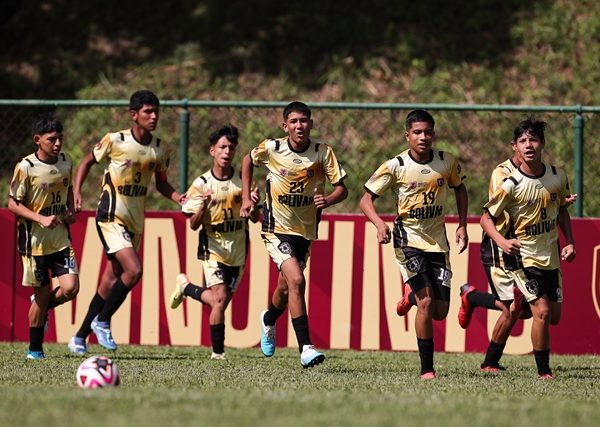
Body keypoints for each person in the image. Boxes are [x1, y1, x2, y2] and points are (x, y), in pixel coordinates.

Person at [68, 90, 184, 354]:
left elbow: (162, 184)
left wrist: (179, 197)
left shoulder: (159, 148)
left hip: (135, 221)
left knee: (110, 279)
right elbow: (87, 162)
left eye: (156, 111)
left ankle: (79, 336)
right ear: (134, 115)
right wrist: (76, 192)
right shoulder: (115, 140)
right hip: (110, 215)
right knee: (134, 271)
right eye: (147, 112)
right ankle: (103, 320)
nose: (154, 116)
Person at [360, 109, 468, 379]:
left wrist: (463, 224)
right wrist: (379, 224)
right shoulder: (395, 165)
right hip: (407, 239)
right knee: (427, 302)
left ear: (434, 134)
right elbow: (365, 200)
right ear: (407, 136)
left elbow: (460, 188)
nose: (423, 137)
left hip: (438, 242)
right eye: (417, 132)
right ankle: (426, 369)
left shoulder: (446, 162)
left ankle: (409, 296)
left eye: (428, 132)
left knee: (440, 312)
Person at [239, 101, 348, 368]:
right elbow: (246, 160)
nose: (300, 125)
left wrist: (329, 199)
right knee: (297, 280)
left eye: (305, 120)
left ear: (311, 123)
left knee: (285, 288)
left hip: (305, 231)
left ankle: (268, 319)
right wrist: (246, 197)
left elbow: (342, 188)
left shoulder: (323, 153)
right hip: (276, 228)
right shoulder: (272, 148)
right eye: (295, 121)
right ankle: (306, 347)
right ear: (285, 126)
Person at [480, 117, 575, 379]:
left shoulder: (557, 177)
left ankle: (477, 298)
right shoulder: (510, 183)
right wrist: (502, 241)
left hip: (550, 258)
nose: (528, 145)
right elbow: (485, 218)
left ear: (542, 143)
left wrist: (570, 243)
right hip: (522, 259)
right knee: (541, 312)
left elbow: (562, 212)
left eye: (533, 139)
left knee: (553, 317)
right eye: (523, 141)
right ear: (515, 147)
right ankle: (544, 371)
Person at [169, 124, 260, 360]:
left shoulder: (243, 184)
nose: (227, 151)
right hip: (213, 249)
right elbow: (193, 224)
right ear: (212, 151)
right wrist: (203, 207)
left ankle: (186, 288)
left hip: (238, 251)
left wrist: (253, 206)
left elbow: (256, 218)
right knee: (218, 299)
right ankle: (218, 354)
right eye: (222, 147)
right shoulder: (201, 185)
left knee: (219, 302)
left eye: (231, 147)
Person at [8, 113, 80, 359]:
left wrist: (70, 210)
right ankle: (35, 350)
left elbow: (68, 187)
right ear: (37, 140)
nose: (58, 144)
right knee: (40, 297)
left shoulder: (66, 161)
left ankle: (42, 306)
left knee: (71, 288)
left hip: (60, 239)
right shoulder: (26, 167)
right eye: (52, 139)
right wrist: (39, 218)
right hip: (34, 244)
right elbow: (12, 204)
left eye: (60, 138)